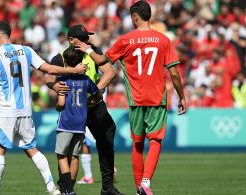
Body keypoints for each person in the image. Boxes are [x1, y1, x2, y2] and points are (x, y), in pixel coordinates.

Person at [75, 1, 186, 195]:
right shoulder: (163, 40)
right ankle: (145, 182)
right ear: (148, 15)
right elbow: (174, 73)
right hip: (156, 97)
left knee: (137, 142)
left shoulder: (126, 40)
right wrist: (181, 96)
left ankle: (138, 187)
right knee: (155, 141)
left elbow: (102, 60)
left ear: (135, 17)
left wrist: (87, 49)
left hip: (135, 99)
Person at [0, 21, 86, 195]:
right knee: (31, 149)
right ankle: (51, 186)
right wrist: (74, 70)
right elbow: (48, 68)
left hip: (5, 110)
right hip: (26, 111)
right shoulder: (26, 51)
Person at [46, 24, 124, 195]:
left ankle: (107, 187)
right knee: (69, 152)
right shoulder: (60, 57)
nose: (86, 41)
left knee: (106, 141)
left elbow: (109, 73)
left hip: (94, 107)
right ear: (71, 40)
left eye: (86, 38)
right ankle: (67, 188)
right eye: (82, 39)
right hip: (74, 109)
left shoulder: (93, 52)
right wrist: (56, 87)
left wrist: (94, 91)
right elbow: (49, 78)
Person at [55, 46, 102, 195]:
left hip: (66, 122)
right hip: (81, 122)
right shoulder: (86, 80)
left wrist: (57, 107)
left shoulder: (63, 79)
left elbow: (61, 103)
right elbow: (98, 95)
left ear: (66, 63)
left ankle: (67, 189)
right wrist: (91, 101)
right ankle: (71, 189)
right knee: (75, 156)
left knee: (62, 155)